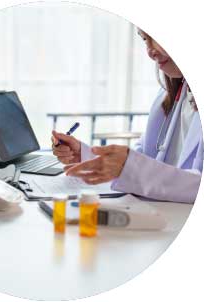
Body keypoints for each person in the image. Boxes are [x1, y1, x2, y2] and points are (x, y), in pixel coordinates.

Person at [52, 30, 202, 203]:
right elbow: (144, 160)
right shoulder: (169, 95)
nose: (151, 51)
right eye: (145, 40)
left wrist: (128, 167)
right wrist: (86, 155)